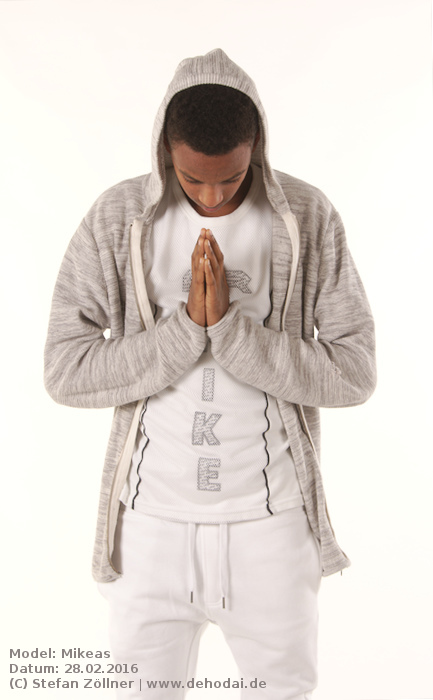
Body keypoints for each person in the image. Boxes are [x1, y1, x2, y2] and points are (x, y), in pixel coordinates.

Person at [44, 49, 376, 699]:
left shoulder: (307, 217)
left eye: (232, 178)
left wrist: (229, 329)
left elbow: (354, 372)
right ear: (165, 152)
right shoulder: (118, 219)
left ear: (257, 149)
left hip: (272, 526)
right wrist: (183, 332)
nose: (213, 197)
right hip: (147, 529)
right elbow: (64, 369)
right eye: (193, 179)